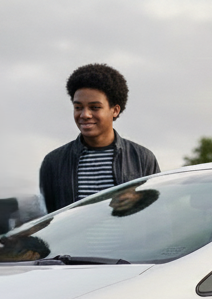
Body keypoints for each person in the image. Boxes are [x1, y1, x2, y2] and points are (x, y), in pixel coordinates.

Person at [38, 64, 160, 214]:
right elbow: (45, 220)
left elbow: (158, 212)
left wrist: (138, 201)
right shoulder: (53, 162)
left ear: (115, 110)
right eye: (78, 107)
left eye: (94, 107)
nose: (84, 115)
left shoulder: (142, 158)